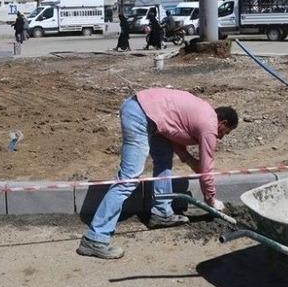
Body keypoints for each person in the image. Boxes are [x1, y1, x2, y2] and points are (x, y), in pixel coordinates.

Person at [77, 88, 238, 259]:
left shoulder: (201, 113)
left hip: (148, 114)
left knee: (163, 159)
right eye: (224, 133)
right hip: (141, 114)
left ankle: (161, 213)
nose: (221, 137)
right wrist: (210, 199)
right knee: (128, 181)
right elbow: (206, 168)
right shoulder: (209, 124)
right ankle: (95, 238)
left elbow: (171, 133)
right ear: (223, 122)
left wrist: (189, 159)